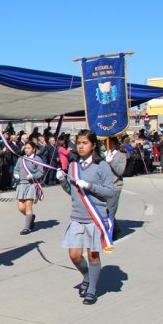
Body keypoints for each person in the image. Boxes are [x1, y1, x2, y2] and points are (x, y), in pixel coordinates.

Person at [56, 130, 115, 305]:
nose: (80, 146)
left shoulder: (102, 166)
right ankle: (87, 276)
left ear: (93, 145)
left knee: (93, 256)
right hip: (77, 216)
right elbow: (73, 193)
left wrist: (89, 186)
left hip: (95, 217)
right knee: (74, 255)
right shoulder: (74, 166)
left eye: (85, 143)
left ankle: (92, 290)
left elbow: (110, 192)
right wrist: (63, 181)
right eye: (79, 143)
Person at [12, 140, 44, 235]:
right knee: (21, 207)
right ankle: (30, 218)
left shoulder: (37, 159)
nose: (26, 150)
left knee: (28, 206)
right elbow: (16, 169)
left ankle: (27, 228)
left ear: (33, 149)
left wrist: (33, 176)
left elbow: (40, 172)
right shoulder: (21, 158)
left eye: (29, 148)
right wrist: (16, 174)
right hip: (21, 184)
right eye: (25, 148)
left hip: (31, 184)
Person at [104, 136, 127, 240]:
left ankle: (110, 235)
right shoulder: (103, 154)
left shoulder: (121, 156)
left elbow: (120, 171)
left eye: (108, 143)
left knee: (110, 210)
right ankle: (115, 228)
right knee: (103, 210)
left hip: (115, 186)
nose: (106, 145)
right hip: (104, 186)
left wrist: (111, 161)